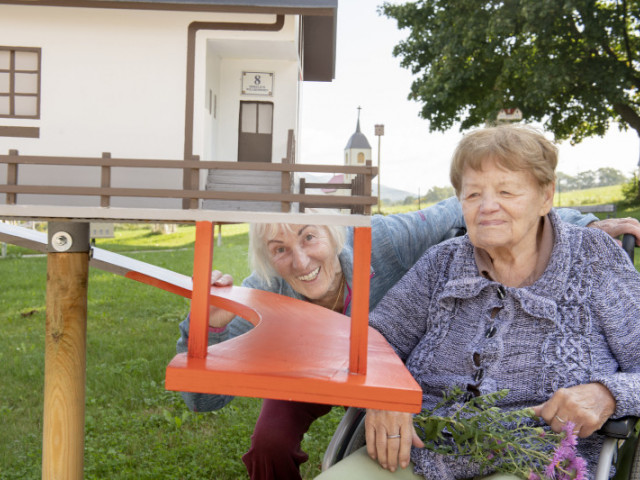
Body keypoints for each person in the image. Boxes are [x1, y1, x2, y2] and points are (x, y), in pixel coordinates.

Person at [177, 170, 639, 480]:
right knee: (268, 444)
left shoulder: (385, 242)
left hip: (379, 362)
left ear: (333, 232)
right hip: (311, 371)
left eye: (308, 237)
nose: (299, 260)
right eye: (279, 250)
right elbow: (200, 399)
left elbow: (465, 209)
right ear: (267, 259)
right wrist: (207, 325)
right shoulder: (264, 289)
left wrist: (576, 228)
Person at [316, 124, 640, 480]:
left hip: (535, 457)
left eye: (506, 191)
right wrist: (384, 395)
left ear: (546, 196)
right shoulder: (442, 262)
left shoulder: (594, 259)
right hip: (418, 446)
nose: (487, 207)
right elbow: (374, 341)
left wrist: (607, 393)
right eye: (472, 195)